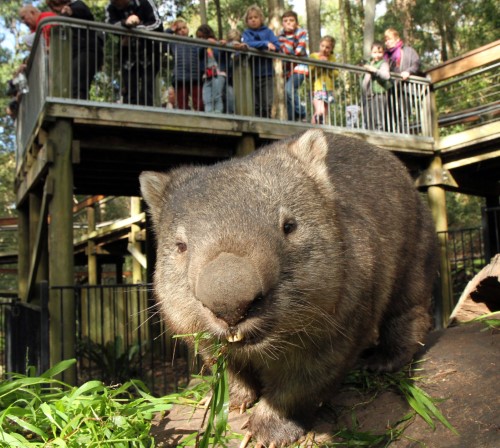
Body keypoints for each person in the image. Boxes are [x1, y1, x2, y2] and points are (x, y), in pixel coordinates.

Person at [105, 0, 164, 106]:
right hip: (127, 56)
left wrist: (136, 28)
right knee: (129, 91)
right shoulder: (111, 6)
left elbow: (158, 25)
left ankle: (147, 118)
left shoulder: (145, 2)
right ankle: (129, 117)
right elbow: (110, 25)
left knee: (147, 91)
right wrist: (126, 23)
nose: (115, 3)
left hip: (148, 55)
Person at [47, 0, 104, 100]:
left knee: (78, 84)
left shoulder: (77, 5)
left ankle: (80, 108)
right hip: (75, 53)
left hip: (87, 49)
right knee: (73, 84)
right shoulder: (61, 16)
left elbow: (84, 12)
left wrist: (71, 11)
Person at [242, 4, 280, 118]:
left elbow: (277, 46)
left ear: (261, 18)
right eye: (250, 18)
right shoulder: (246, 33)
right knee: (255, 102)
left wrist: (267, 44)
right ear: (247, 21)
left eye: (255, 17)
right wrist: (264, 44)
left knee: (267, 102)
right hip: (252, 73)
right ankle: (257, 121)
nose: (253, 20)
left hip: (266, 73)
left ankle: (267, 121)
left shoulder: (268, 32)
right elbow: (247, 43)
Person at [383, 27, 421, 133]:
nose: (387, 42)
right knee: (391, 114)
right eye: (385, 40)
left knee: (404, 114)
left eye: (389, 39)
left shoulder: (408, 51)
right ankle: (392, 136)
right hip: (391, 88)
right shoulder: (386, 56)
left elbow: (416, 63)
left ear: (396, 38)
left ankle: (404, 135)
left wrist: (408, 71)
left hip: (406, 88)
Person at [278, 10, 308, 122]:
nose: (288, 23)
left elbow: (298, 51)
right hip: (287, 69)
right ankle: (292, 119)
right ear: (282, 23)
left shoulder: (301, 32)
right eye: (285, 21)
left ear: (296, 22)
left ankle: (302, 112)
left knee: (289, 89)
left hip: (300, 67)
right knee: (287, 94)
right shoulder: (280, 36)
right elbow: (281, 51)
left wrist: (287, 47)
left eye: (291, 20)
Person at [167, 19, 203, 111]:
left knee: (199, 102)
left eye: (184, 27)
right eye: (179, 29)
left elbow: (203, 50)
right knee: (182, 102)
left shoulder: (195, 42)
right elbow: (165, 36)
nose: (182, 30)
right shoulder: (174, 42)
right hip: (180, 76)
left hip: (195, 76)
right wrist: (171, 29)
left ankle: (200, 120)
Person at [196, 24, 226, 114]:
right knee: (206, 96)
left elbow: (221, 56)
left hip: (218, 73)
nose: (201, 39)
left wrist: (220, 44)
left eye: (202, 37)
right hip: (207, 75)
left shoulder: (216, 44)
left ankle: (218, 112)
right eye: (199, 37)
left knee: (216, 95)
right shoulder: (201, 48)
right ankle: (208, 112)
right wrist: (205, 44)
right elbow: (199, 54)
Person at [362, 41, 391, 131]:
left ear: (383, 53)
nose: (377, 55)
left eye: (380, 52)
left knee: (378, 120)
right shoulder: (370, 63)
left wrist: (374, 70)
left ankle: (380, 138)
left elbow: (386, 76)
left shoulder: (383, 63)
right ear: (371, 53)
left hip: (379, 94)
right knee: (368, 120)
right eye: (375, 53)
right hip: (368, 95)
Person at [309, 35, 337, 125]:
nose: (324, 49)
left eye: (328, 47)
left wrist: (327, 65)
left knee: (324, 112)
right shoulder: (313, 56)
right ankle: (312, 129)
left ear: (331, 49)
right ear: (320, 45)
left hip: (329, 88)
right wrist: (318, 64)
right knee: (319, 110)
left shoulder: (332, 59)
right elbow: (310, 73)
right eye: (322, 46)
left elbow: (335, 74)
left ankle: (319, 130)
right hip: (318, 87)